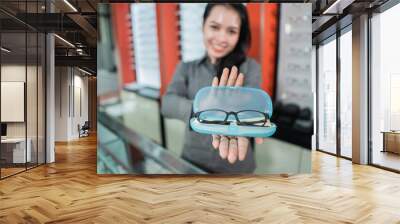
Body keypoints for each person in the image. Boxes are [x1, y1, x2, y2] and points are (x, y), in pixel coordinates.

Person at [161, 3, 264, 173]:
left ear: (240, 35)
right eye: (215, 27)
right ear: (203, 26)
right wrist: (201, 108)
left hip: (236, 167)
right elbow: (167, 104)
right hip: (193, 162)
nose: (222, 38)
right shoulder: (186, 68)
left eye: (231, 31)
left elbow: (252, 109)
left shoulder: (250, 68)